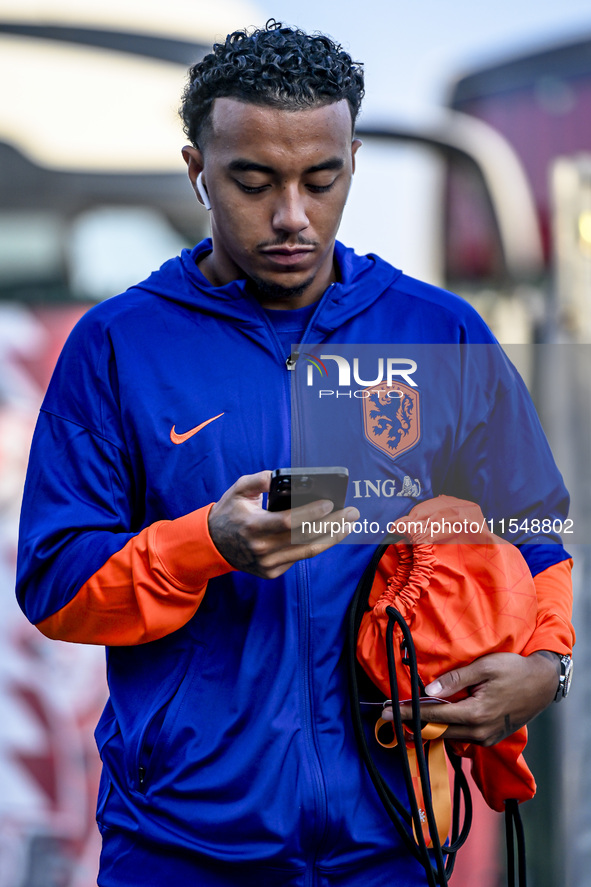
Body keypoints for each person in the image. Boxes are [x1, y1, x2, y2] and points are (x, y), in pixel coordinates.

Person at [16, 20, 574, 887]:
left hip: (391, 840)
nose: (291, 216)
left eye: (322, 179)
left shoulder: (436, 332)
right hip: (183, 848)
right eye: (252, 181)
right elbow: (56, 585)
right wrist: (209, 544)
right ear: (197, 169)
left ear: (351, 158)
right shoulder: (119, 345)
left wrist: (546, 665)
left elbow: (533, 532)